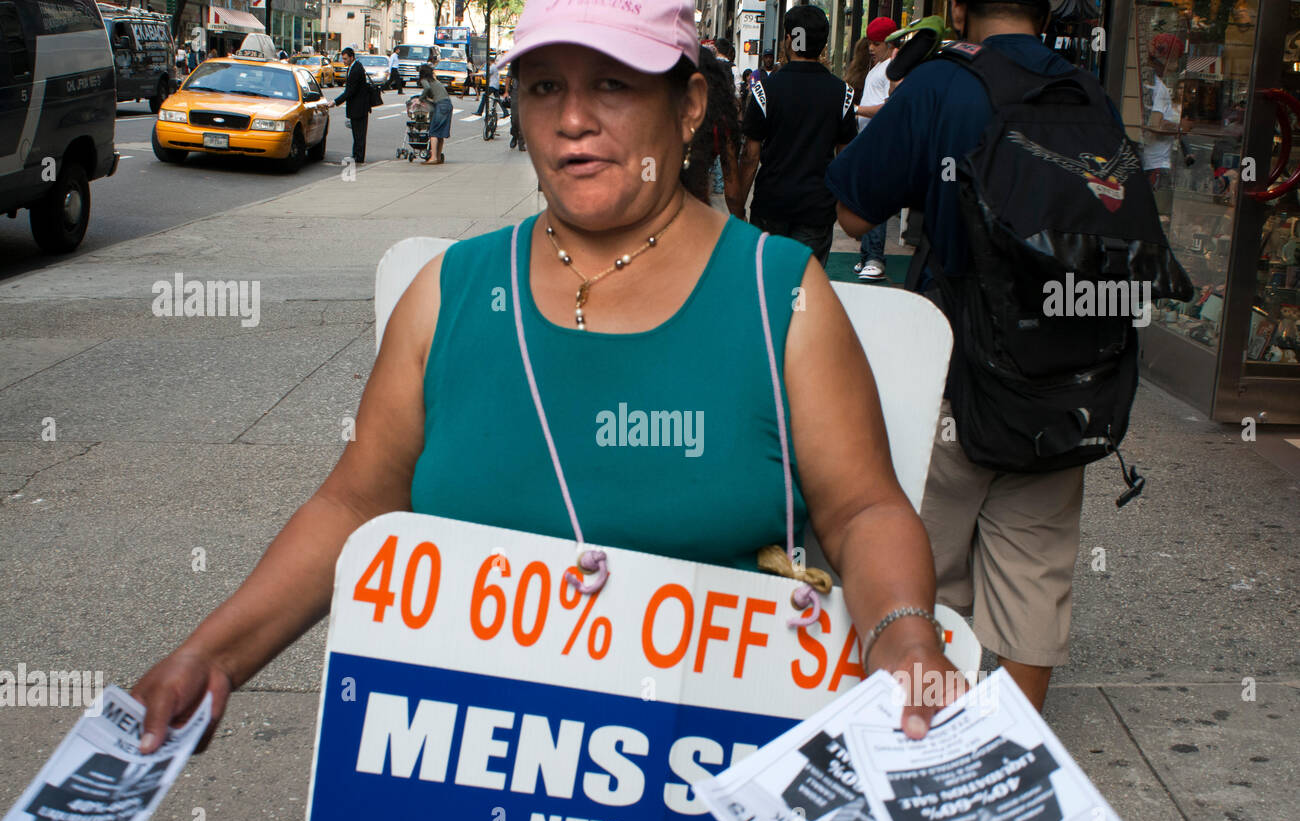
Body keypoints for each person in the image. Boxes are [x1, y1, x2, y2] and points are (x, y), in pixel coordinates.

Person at [133, 0, 961, 757]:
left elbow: (862, 507)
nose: (571, 119)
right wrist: (212, 655)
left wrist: (905, 636)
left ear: (690, 106)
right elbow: (355, 503)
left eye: (613, 84)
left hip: (708, 776)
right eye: (542, 87)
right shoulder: (448, 295)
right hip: (462, 780)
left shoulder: (779, 295)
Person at [827, 0, 1120, 712]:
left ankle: (919, 744)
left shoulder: (941, 85)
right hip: (1064, 379)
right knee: (1036, 575)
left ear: (958, 8)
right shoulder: (1089, 95)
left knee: (919, 570)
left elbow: (853, 211)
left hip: (952, 375)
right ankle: (1012, 754)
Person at [738, 4, 858, 266]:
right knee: (805, 288)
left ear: (790, 40)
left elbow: (750, 155)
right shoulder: (842, 94)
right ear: (823, 44)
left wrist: (737, 206)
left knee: (765, 283)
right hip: (816, 208)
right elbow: (846, 157)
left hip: (772, 203)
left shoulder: (765, 91)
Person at [845, 18, 898, 282]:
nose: (871, 48)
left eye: (876, 43)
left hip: (879, 143)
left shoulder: (892, 68)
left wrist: (855, 110)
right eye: (870, 43)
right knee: (866, 200)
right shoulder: (880, 66)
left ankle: (875, 256)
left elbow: (890, 106)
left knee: (874, 201)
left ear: (889, 43)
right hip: (869, 141)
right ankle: (868, 255)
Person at [686, 45, 744, 217]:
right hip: (698, 210)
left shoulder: (662, 114)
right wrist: (740, 220)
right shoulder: (720, 123)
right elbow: (732, 188)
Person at [1143, 32, 1186, 215]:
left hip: (1149, 161)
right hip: (1155, 164)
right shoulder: (1159, 89)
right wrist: (1181, 127)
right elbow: (1155, 125)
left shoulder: (1149, 83)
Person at [332, 47, 372, 164]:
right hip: (357, 106)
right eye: (342, 59)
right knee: (356, 132)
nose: (343, 61)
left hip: (359, 107)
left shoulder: (356, 69)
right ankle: (356, 154)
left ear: (351, 57)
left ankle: (358, 156)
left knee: (359, 133)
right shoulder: (353, 67)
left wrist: (335, 102)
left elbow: (349, 91)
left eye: (345, 59)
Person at [419, 63, 452, 164]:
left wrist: (421, 99)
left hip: (441, 105)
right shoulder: (435, 81)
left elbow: (427, 88)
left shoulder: (425, 80)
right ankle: (438, 157)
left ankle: (433, 157)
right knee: (440, 133)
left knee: (433, 132)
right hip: (448, 104)